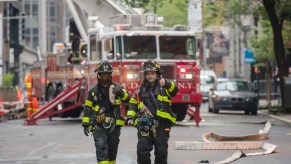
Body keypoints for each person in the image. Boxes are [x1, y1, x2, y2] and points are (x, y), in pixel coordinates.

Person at [126, 60, 178, 164]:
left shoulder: (165, 87)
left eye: (152, 73)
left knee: (161, 153)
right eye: (148, 74)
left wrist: (167, 83)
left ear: (158, 74)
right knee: (142, 152)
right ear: (145, 75)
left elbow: (175, 90)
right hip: (144, 124)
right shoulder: (140, 90)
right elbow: (133, 103)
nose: (150, 76)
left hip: (162, 125)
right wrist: (130, 117)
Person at [81, 61, 130, 164]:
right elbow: (88, 108)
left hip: (114, 125)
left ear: (110, 74)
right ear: (99, 74)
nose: (105, 76)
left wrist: (120, 91)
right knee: (101, 150)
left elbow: (127, 99)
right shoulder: (93, 92)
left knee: (112, 152)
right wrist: (86, 123)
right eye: (103, 73)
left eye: (107, 73)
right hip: (98, 125)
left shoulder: (117, 88)